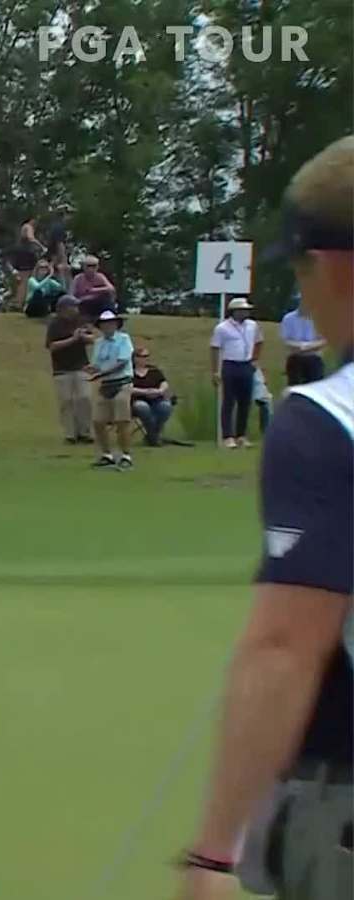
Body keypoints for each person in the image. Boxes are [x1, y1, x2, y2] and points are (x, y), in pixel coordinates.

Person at [178, 135, 352, 900]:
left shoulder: (326, 419)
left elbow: (286, 646)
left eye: (303, 268)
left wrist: (214, 855)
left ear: (337, 266)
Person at [210, 297, 264, 448]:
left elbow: (259, 341)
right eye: (242, 310)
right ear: (234, 311)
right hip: (230, 365)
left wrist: (255, 359)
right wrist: (215, 371)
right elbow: (215, 348)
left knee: (245, 402)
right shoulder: (222, 328)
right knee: (228, 401)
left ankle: (241, 435)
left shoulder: (253, 325)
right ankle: (228, 436)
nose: (245, 313)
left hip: (246, 365)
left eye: (246, 310)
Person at [86, 309, 136, 469]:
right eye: (104, 324)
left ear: (116, 324)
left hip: (122, 383)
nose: (107, 326)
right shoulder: (99, 343)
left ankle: (126, 455)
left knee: (122, 421)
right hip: (105, 384)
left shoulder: (124, 339)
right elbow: (97, 364)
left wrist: (101, 372)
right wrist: (91, 369)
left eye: (110, 323)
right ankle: (107, 454)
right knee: (98, 421)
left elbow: (122, 362)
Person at [44, 296, 95, 443]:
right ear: (64, 308)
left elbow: (92, 339)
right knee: (66, 401)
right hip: (61, 368)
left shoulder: (81, 321)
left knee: (84, 398)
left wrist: (83, 336)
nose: (77, 309)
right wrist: (73, 339)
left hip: (81, 366)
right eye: (73, 306)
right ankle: (70, 434)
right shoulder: (54, 325)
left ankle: (85, 432)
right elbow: (52, 346)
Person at [129, 347, 174, 446]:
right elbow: (129, 388)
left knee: (166, 406)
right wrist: (146, 392)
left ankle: (152, 435)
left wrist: (159, 391)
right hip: (137, 400)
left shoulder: (153, 370)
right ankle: (154, 437)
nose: (144, 359)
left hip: (156, 399)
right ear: (134, 358)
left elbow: (164, 383)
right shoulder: (129, 371)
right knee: (142, 407)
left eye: (146, 356)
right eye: (141, 356)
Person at [280, 295, 327, 385]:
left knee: (314, 388)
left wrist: (306, 347)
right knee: (295, 387)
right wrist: (301, 347)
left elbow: (323, 340)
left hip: (314, 358)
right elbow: (286, 340)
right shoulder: (288, 318)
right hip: (295, 358)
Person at [8, 216, 46, 311]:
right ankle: (19, 303)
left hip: (23, 254)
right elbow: (30, 238)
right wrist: (41, 247)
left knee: (26, 279)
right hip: (25, 254)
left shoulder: (24, 228)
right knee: (26, 279)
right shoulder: (28, 227)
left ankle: (20, 301)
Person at [70, 254, 118, 319]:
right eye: (88, 266)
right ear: (83, 267)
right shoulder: (78, 278)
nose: (91, 269)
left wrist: (94, 290)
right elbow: (72, 294)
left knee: (108, 298)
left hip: (98, 302)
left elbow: (111, 288)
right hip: (84, 303)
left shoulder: (100, 276)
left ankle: (111, 317)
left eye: (94, 266)